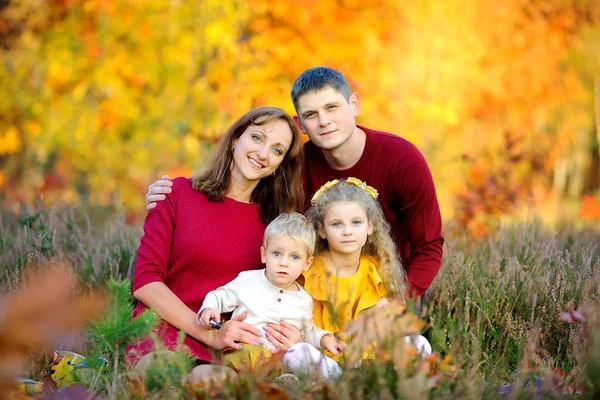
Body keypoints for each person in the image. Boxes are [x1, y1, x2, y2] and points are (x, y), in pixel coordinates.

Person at [146, 67, 444, 297]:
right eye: (311, 114)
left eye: (332, 108)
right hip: (316, 298)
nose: (324, 121)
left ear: (354, 104)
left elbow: (429, 246)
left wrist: (398, 304)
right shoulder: (293, 167)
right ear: (300, 124)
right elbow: (240, 190)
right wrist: (175, 195)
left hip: (389, 293)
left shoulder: (402, 159)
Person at [128, 107, 307, 383]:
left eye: (277, 150)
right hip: (162, 330)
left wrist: (296, 337)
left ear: (279, 165)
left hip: (231, 347)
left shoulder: (276, 228)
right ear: (236, 139)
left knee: (215, 385)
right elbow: (146, 282)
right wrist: (207, 333)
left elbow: (287, 292)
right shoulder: (176, 194)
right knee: (163, 375)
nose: (262, 153)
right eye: (257, 138)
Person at [197, 212, 344, 378]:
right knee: (252, 354)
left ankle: (334, 376)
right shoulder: (248, 280)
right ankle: (280, 381)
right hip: (245, 349)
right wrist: (209, 308)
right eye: (276, 253)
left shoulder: (304, 299)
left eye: (294, 257)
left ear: (307, 263)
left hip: (282, 359)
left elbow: (308, 331)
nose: (284, 262)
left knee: (302, 351)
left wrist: (325, 339)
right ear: (264, 254)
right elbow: (220, 296)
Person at [303, 178, 432, 360]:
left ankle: (379, 376)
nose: (347, 231)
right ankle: (330, 376)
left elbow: (386, 324)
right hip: (326, 354)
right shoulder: (311, 271)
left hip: (369, 352)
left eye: (356, 222)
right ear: (322, 230)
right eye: (336, 224)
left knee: (419, 344)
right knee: (298, 354)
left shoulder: (375, 269)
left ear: (370, 227)